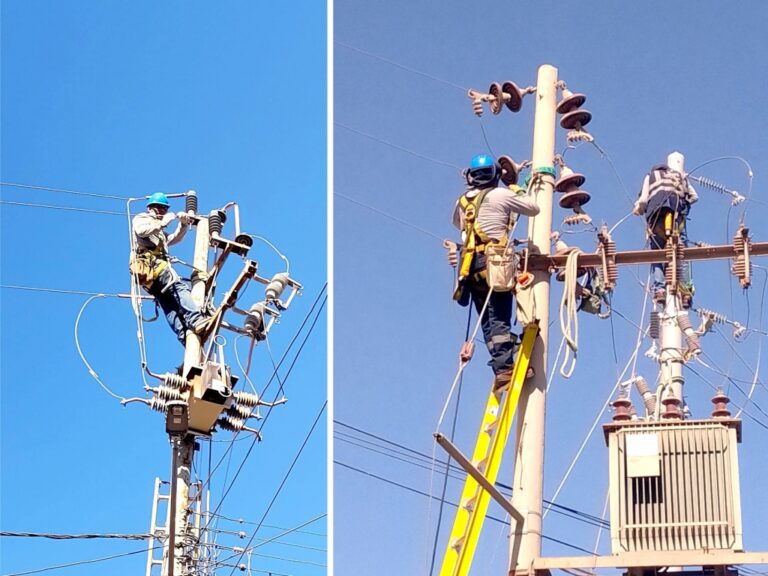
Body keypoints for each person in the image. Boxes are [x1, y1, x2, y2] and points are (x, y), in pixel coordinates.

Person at [447, 154, 540, 389]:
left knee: (488, 322)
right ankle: (505, 368)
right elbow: (533, 207)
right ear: (494, 174)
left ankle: (503, 361)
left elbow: (460, 226)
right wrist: (515, 187)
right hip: (495, 263)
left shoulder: (462, 202)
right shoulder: (500, 194)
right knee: (498, 316)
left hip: (470, 268)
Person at [130, 192, 209, 345]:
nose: (162, 212)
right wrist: (164, 222)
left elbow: (174, 238)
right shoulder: (142, 219)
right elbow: (141, 231)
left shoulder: (158, 232)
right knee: (179, 289)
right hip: (152, 267)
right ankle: (196, 320)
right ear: (151, 208)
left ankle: (185, 336)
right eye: (160, 208)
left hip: (151, 276)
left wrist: (183, 224)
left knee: (169, 304)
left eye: (164, 209)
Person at [633, 163, 698, 307]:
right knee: (682, 255)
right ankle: (686, 292)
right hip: (677, 221)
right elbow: (694, 197)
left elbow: (643, 200)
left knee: (657, 255)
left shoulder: (650, 177)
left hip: (657, 221)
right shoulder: (681, 176)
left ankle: (660, 290)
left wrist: (639, 208)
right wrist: (681, 203)